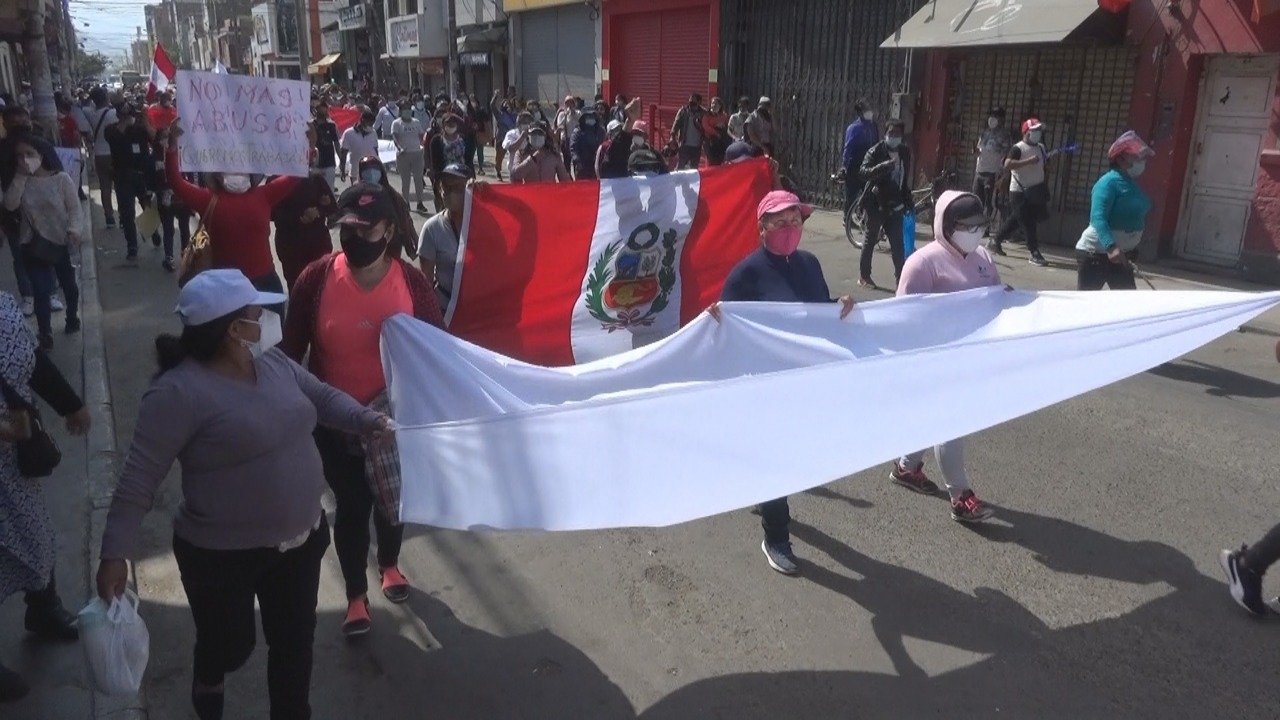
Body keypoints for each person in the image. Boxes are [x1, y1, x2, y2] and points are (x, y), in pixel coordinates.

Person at [96, 269, 390, 720]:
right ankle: (209, 676)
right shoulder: (177, 393)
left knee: (293, 645)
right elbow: (139, 480)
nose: (269, 320)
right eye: (259, 314)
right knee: (231, 647)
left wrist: (366, 420)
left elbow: (324, 398)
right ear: (234, 329)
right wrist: (115, 553)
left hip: (299, 543)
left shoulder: (273, 362)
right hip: (219, 557)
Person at [281, 183, 443, 637]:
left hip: (395, 425)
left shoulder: (411, 284)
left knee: (392, 505)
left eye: (365, 229)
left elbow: (440, 349)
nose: (353, 239)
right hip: (333, 426)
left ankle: (389, 563)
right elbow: (291, 355)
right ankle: (356, 594)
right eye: (345, 230)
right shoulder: (315, 279)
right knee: (351, 507)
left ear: (389, 229)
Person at [709, 191, 855, 576]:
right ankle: (776, 537)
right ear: (762, 229)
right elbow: (728, 325)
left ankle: (757, 483)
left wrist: (840, 305)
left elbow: (817, 310)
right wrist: (716, 319)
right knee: (777, 458)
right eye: (780, 222)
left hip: (802, 379)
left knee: (794, 452)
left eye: (795, 221)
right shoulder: (746, 274)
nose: (790, 229)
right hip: (764, 382)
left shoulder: (809, 263)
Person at [887, 191, 1001, 522]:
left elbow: (997, 300)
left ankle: (906, 467)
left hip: (970, 359)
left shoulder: (983, 258)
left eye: (980, 225)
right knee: (950, 422)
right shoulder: (923, 263)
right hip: (932, 362)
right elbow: (903, 317)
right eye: (967, 226)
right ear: (946, 226)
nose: (975, 232)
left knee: (932, 418)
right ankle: (960, 495)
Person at [0, 291, 91, 703]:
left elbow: (31, 361)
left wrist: (71, 404)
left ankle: (43, 606)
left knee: (34, 532)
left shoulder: (2, 307)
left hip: (10, 461)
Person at [165, 127, 302, 293]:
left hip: (264, 283)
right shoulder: (207, 199)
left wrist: (307, 145)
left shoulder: (265, 194)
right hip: (224, 287)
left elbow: (295, 175)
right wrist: (172, 147)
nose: (236, 169)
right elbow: (176, 183)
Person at [4, 135, 83, 349]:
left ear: (41, 155)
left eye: (29, 154)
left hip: (60, 242)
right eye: (19, 156)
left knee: (69, 287)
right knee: (40, 289)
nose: (24, 159)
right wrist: (20, 177)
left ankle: (72, 317)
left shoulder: (61, 179)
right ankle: (45, 332)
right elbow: (10, 205)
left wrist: (74, 230)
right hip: (33, 245)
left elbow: (75, 209)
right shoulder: (20, 182)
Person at [1075, 131, 1154, 291]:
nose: (1141, 161)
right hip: (1097, 254)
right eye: (1136, 157)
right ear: (1120, 159)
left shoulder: (1131, 184)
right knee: (1085, 304)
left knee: (1126, 304)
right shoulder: (1107, 183)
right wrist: (1111, 247)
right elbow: (1098, 218)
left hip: (1122, 255)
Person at [272, 128, 339, 290]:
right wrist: (298, 217)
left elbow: (333, 208)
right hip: (290, 246)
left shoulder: (315, 179)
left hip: (318, 244)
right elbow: (270, 213)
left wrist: (318, 212)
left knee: (320, 286)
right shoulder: (275, 181)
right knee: (296, 286)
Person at [990, 117, 1057, 266]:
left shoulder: (1040, 147)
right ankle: (1034, 252)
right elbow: (1008, 165)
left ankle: (996, 239)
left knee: (1017, 219)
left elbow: (1044, 164)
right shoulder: (1018, 148)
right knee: (1028, 222)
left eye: (1039, 130)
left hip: (1035, 191)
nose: (1038, 133)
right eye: (1035, 130)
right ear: (1026, 132)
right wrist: (1028, 161)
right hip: (1019, 191)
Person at [857, 119, 911, 289]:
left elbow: (904, 179)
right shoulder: (875, 151)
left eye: (897, 134)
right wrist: (883, 166)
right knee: (870, 239)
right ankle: (865, 276)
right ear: (885, 134)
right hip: (876, 202)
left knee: (898, 245)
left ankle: (901, 280)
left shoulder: (905, 152)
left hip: (895, 203)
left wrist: (907, 200)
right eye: (890, 133)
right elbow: (863, 172)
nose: (893, 136)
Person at [417, 163, 472, 309]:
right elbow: (425, 285)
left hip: (477, 310)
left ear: (469, 190)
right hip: (445, 309)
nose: (449, 192)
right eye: (445, 187)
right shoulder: (432, 228)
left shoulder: (483, 225)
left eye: (457, 187)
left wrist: (489, 195)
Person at [104, 103, 152, 261]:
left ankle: (152, 231)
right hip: (122, 176)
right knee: (127, 212)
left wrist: (144, 120)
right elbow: (114, 137)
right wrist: (124, 121)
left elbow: (154, 136)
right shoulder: (111, 130)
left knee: (147, 206)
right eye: (125, 115)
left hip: (141, 175)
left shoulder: (139, 129)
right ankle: (132, 245)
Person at [356, 155, 417, 261]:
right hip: (366, 243)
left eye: (374, 169)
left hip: (391, 242)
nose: (371, 173)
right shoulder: (356, 195)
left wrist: (414, 241)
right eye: (366, 170)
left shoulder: (392, 195)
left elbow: (406, 219)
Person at [151, 126, 192, 272]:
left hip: (175, 197)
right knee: (178, 228)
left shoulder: (177, 154)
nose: (166, 140)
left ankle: (178, 256)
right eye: (164, 137)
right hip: (173, 197)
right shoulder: (179, 154)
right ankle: (180, 256)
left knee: (175, 228)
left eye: (168, 137)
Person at [973, 107, 1011, 234]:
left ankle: (986, 228)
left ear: (1001, 119)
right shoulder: (984, 133)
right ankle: (976, 226)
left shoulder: (1004, 136)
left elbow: (1007, 155)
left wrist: (1003, 175)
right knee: (977, 200)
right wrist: (975, 152)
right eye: (991, 115)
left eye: (996, 116)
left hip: (993, 172)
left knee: (990, 202)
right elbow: (979, 151)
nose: (992, 119)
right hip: (980, 170)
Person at [85, 87, 119, 228]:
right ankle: (123, 217)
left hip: (99, 154)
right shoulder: (113, 113)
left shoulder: (90, 114)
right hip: (114, 153)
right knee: (119, 186)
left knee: (104, 186)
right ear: (105, 97)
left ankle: (109, 217)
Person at [842, 99, 878, 216]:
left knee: (867, 192)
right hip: (855, 165)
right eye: (867, 110)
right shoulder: (854, 128)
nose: (870, 112)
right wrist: (845, 165)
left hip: (869, 164)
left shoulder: (873, 126)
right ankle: (847, 217)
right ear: (860, 112)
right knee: (851, 194)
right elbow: (848, 148)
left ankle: (861, 215)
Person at [391, 102, 427, 212]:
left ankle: (420, 202)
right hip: (404, 155)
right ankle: (406, 202)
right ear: (401, 111)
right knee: (405, 180)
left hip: (417, 153)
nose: (407, 111)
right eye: (404, 109)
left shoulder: (416, 122)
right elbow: (395, 137)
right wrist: (399, 148)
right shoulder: (397, 123)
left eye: (408, 109)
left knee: (418, 179)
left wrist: (423, 145)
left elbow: (421, 135)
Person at [338, 110, 378, 184]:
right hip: (355, 170)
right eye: (369, 124)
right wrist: (342, 170)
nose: (371, 126)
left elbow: (376, 150)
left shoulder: (373, 132)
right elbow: (343, 153)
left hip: (372, 169)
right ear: (362, 120)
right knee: (357, 193)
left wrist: (379, 165)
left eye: (372, 124)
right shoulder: (348, 133)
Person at [672, 93, 706, 170]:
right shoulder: (683, 111)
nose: (691, 103)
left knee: (694, 169)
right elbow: (676, 124)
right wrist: (672, 137)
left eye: (693, 101)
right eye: (690, 101)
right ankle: (677, 181)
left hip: (697, 146)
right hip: (684, 144)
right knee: (680, 166)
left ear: (699, 102)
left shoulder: (703, 113)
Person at [570, 109, 605, 180]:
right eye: (588, 117)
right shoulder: (577, 132)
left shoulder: (600, 131)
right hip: (582, 166)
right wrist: (577, 161)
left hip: (596, 165)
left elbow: (604, 146)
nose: (590, 119)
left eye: (592, 117)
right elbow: (573, 148)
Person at [312, 102, 341, 189]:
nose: (323, 112)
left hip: (329, 163)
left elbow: (336, 143)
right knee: (314, 190)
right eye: (321, 109)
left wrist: (341, 159)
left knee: (329, 189)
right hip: (314, 163)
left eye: (325, 109)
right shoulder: (311, 125)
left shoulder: (331, 125)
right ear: (316, 110)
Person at [700, 97, 730, 166]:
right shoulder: (707, 115)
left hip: (721, 141)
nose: (714, 105)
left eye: (716, 104)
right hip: (710, 141)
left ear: (720, 106)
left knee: (719, 160)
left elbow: (726, 125)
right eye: (713, 103)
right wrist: (716, 133)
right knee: (711, 161)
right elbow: (706, 126)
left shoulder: (724, 115)